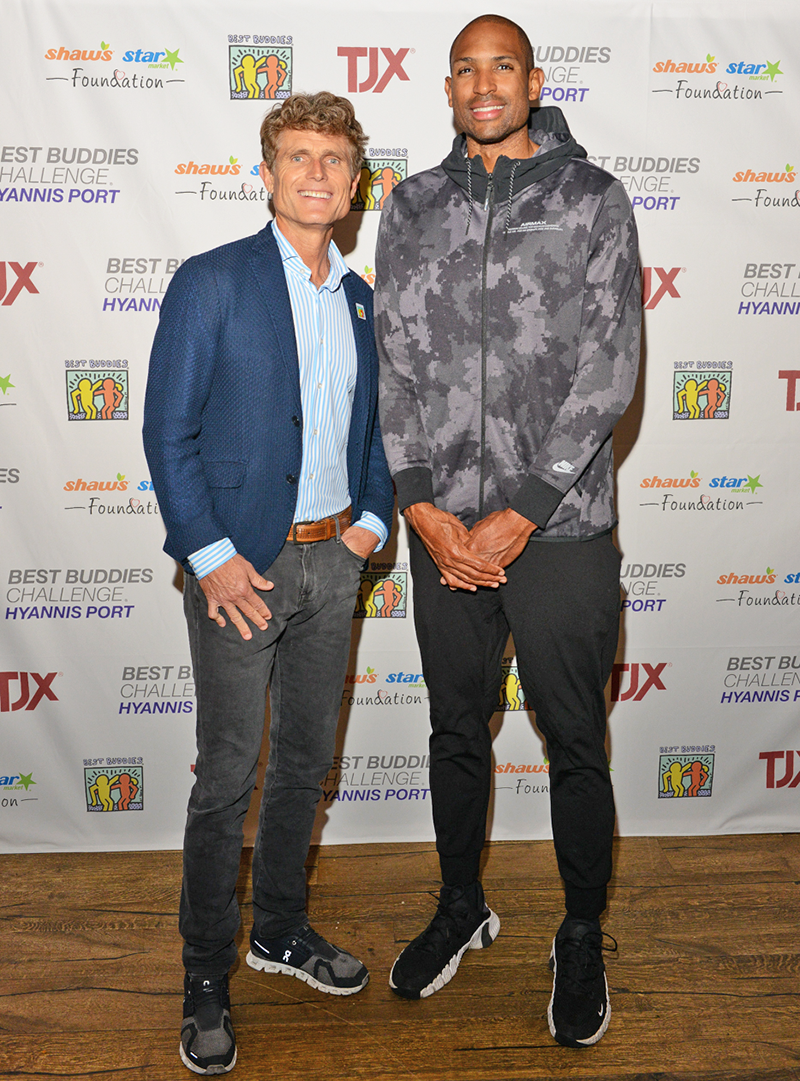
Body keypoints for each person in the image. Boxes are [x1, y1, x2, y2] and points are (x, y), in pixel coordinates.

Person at [375, 13, 641, 1049]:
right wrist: (422, 505)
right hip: (441, 534)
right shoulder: (410, 204)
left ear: (531, 82)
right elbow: (390, 365)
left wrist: (518, 513)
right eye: (464, 71)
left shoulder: (592, 202)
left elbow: (607, 371)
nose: (482, 86)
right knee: (454, 729)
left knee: (573, 742)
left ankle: (578, 933)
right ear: (447, 89)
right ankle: (459, 905)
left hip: (561, 532)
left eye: (502, 68)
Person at [143, 92, 394, 1075]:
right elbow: (169, 433)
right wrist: (209, 554)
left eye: (335, 159)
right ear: (268, 172)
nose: (318, 174)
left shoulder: (362, 298)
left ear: (354, 180)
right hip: (237, 571)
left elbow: (374, 432)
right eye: (299, 156)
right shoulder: (211, 283)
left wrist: (368, 529)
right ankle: (206, 969)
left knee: (303, 767)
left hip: (335, 566)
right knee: (229, 775)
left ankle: (279, 929)